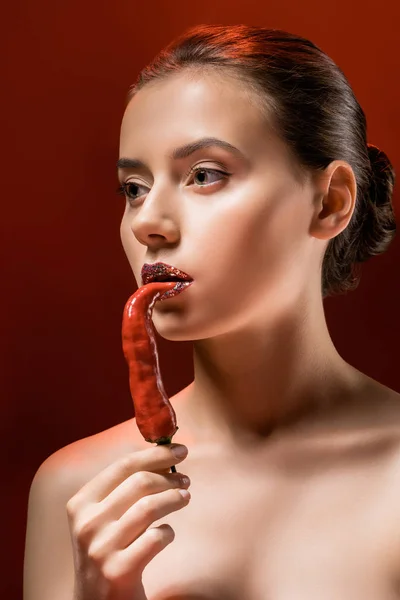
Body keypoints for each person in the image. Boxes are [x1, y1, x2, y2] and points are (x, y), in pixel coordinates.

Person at [24, 23, 399, 600]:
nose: (148, 221)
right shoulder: (76, 492)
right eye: (134, 187)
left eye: (204, 175)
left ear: (330, 202)